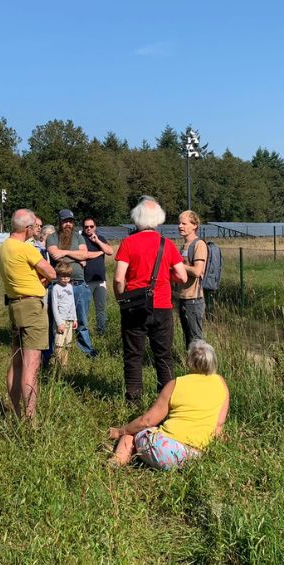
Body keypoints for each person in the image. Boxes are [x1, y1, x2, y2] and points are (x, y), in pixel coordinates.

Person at [108, 341, 229, 470]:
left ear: (188, 361)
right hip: (194, 457)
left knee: (133, 431)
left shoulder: (176, 384)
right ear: (213, 361)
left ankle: (117, 461)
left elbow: (147, 421)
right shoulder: (221, 383)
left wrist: (121, 430)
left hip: (164, 450)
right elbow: (218, 424)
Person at [114, 197, 187, 405]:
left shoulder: (128, 243)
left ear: (137, 219)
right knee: (163, 355)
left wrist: (121, 299)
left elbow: (119, 278)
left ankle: (133, 399)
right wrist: (165, 275)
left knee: (133, 354)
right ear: (158, 220)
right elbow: (182, 277)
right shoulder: (167, 244)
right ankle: (165, 401)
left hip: (134, 306)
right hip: (162, 305)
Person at [0, 209, 56, 419]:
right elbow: (51, 272)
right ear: (27, 228)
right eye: (34, 226)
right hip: (32, 306)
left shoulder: (4, 247)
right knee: (31, 365)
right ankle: (30, 419)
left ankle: (14, 412)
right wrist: (40, 280)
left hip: (15, 305)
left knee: (16, 361)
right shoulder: (26, 249)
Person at [47, 209, 98, 358]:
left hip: (79, 285)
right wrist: (76, 257)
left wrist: (65, 253)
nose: (68, 224)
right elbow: (54, 254)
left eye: (70, 221)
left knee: (82, 320)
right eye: (65, 221)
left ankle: (86, 351)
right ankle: (52, 351)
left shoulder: (78, 237)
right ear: (60, 222)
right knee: (54, 320)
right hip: (58, 285)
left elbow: (85, 254)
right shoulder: (52, 237)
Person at [175, 210, 208, 350]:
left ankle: (200, 368)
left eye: (184, 223)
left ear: (194, 225)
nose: (180, 226)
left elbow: (197, 271)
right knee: (187, 338)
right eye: (179, 223)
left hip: (194, 299)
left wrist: (179, 265)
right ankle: (190, 367)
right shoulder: (184, 246)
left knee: (196, 341)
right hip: (183, 297)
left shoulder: (199, 244)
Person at [81, 217, 114, 335]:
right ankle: (83, 333)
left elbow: (110, 251)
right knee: (84, 309)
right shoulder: (81, 240)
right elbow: (84, 255)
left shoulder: (101, 238)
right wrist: (100, 252)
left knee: (101, 308)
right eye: (86, 227)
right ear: (83, 228)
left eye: (91, 226)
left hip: (100, 280)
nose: (89, 229)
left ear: (95, 227)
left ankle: (101, 331)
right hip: (86, 280)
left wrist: (98, 242)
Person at [50, 262, 78, 369]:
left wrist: (75, 319)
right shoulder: (56, 288)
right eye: (63, 276)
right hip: (61, 321)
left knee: (67, 344)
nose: (65, 278)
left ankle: (64, 365)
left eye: (68, 276)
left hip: (70, 320)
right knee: (59, 344)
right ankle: (56, 363)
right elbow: (54, 306)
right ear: (58, 276)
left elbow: (72, 303)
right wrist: (59, 322)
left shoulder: (70, 287)